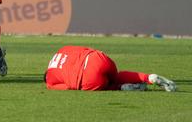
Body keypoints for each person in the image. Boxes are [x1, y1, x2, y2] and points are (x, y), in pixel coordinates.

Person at [45, 46, 177, 92]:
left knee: (108, 85)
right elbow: (84, 49)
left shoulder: (50, 81)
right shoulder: (62, 50)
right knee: (117, 76)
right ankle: (149, 78)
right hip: (98, 59)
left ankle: (122, 88)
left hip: (89, 79)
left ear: (46, 74)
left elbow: (67, 87)